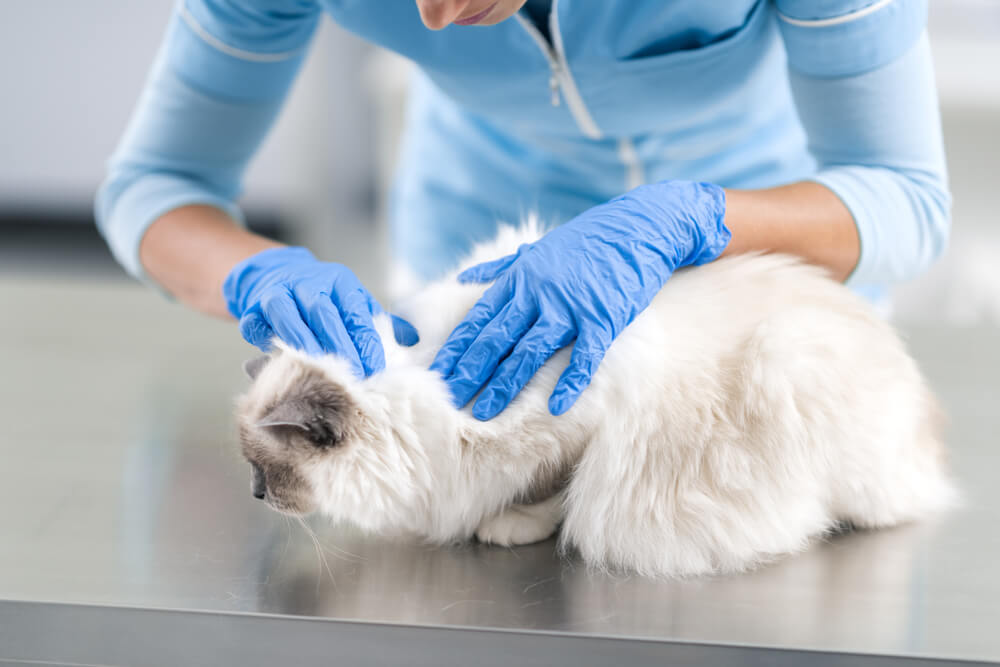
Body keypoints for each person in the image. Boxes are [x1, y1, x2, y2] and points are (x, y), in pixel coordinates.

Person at [96, 0, 949, 421]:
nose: (431, 15)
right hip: (472, 254)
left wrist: (688, 222)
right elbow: (156, 184)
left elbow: (904, 193)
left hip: (760, 258)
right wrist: (250, 272)